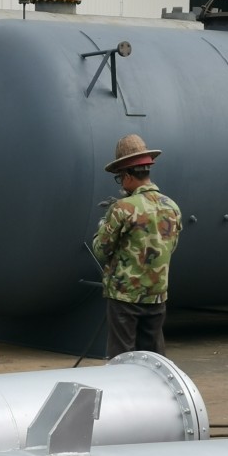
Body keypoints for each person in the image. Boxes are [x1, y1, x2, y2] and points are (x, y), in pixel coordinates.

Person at [91, 134, 182, 358]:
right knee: (153, 358)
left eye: (120, 178)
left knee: (122, 359)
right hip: (156, 296)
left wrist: (103, 227)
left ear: (128, 176)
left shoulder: (123, 208)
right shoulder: (172, 206)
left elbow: (101, 250)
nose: (121, 183)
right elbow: (170, 247)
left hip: (125, 298)